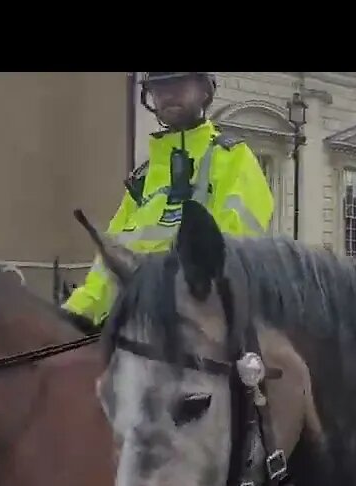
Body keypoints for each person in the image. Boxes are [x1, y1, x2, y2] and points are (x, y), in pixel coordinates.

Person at [61, 72, 275, 333]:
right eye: (160, 88)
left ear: (204, 92)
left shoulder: (234, 158)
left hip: (200, 328)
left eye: (179, 84)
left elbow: (230, 254)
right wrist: (70, 318)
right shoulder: (145, 177)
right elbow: (108, 265)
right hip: (135, 322)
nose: (168, 94)